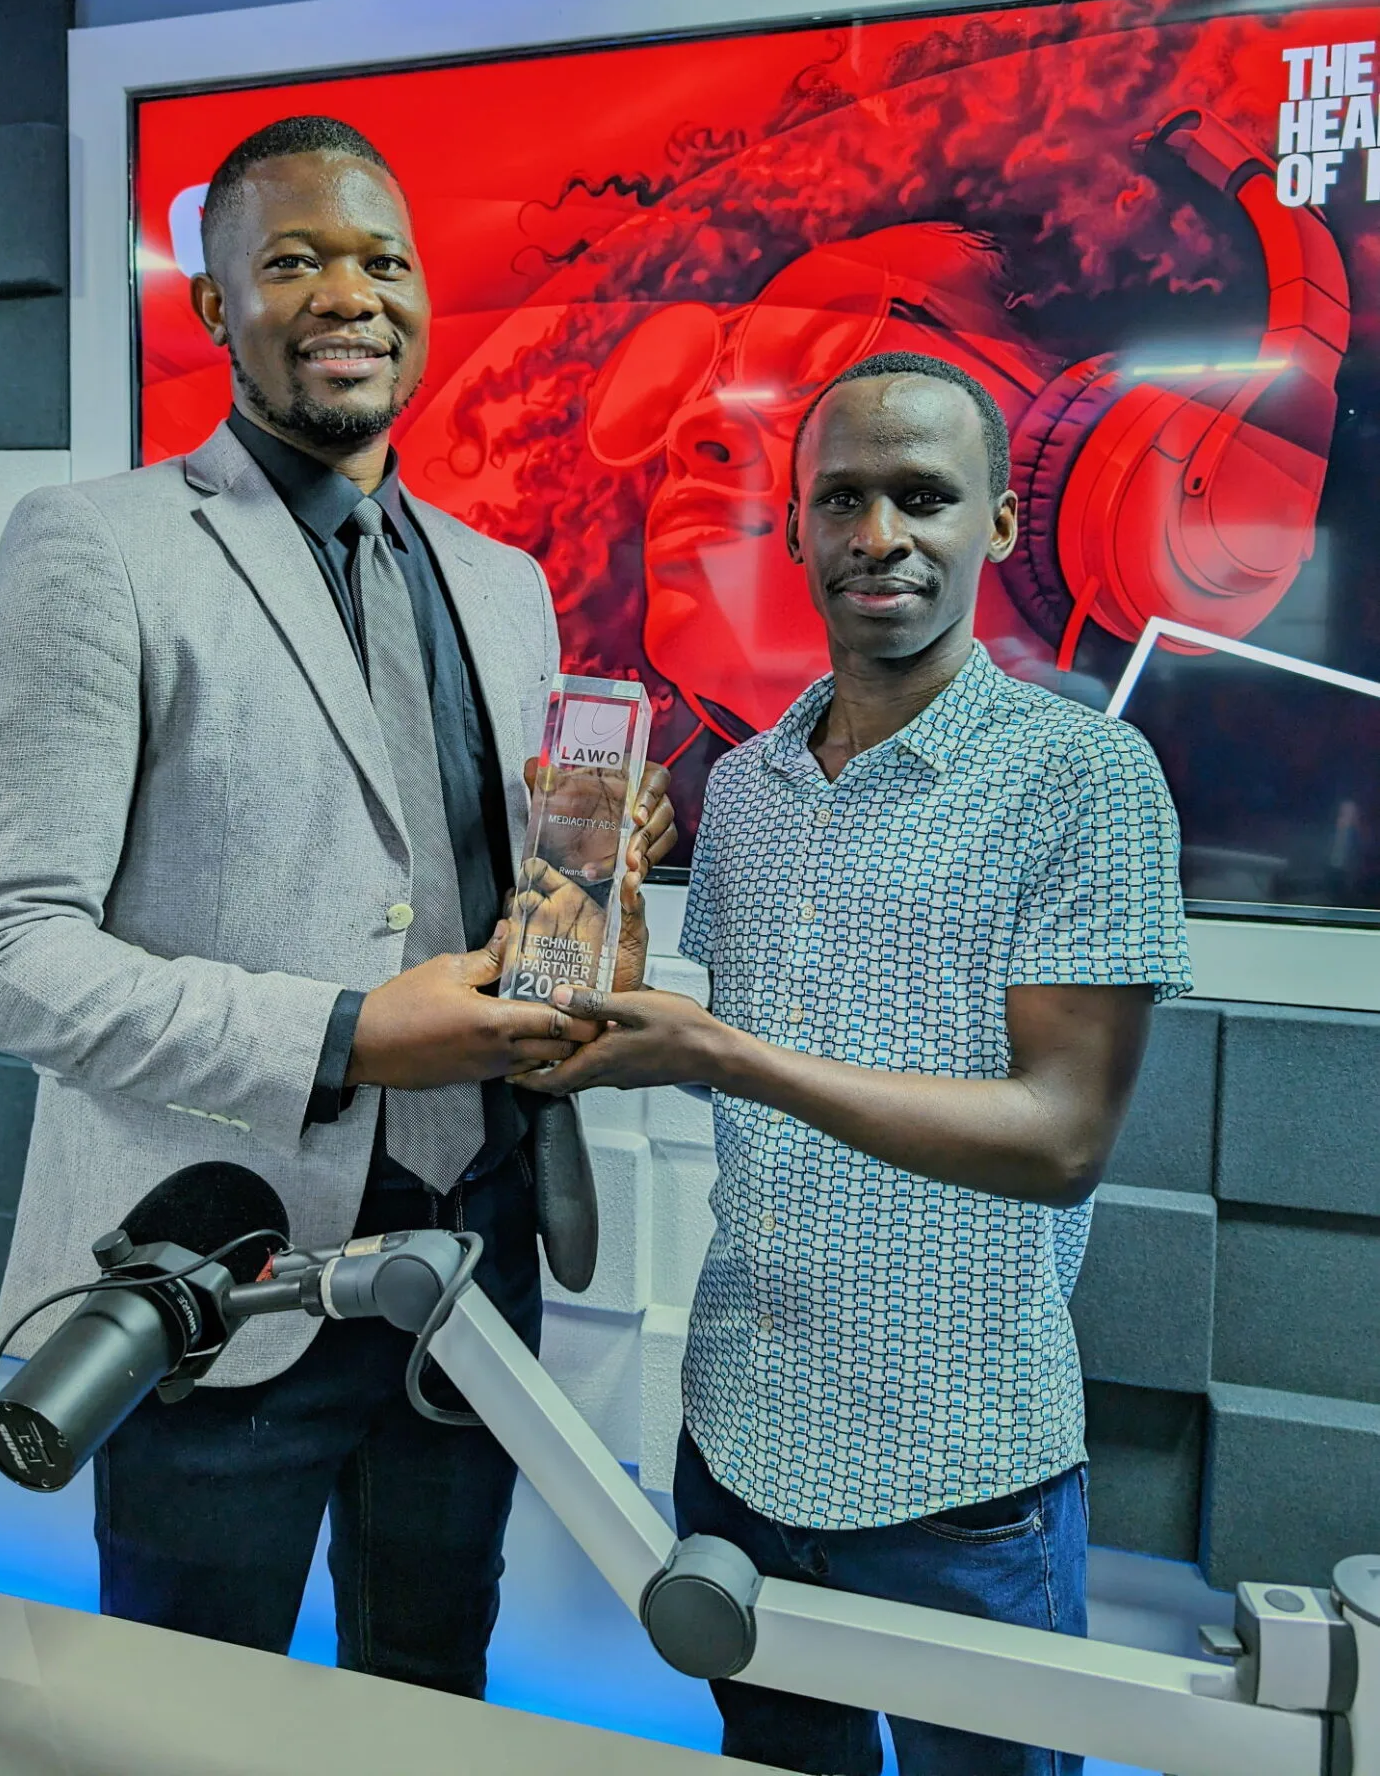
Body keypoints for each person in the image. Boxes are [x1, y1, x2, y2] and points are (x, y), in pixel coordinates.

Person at [0, 114, 673, 1694]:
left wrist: (594, 904)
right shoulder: (98, 550)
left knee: (432, 1689)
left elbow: (474, 890)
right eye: (294, 260)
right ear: (213, 306)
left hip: (473, 1258)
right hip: (221, 1272)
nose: (349, 294)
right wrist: (342, 1035)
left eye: (382, 260)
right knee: (193, 1712)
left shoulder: (503, 583)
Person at [518, 349, 1191, 1775]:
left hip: (959, 1474)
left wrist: (725, 1055)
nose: (878, 535)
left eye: (923, 497)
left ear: (1000, 523)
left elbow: (1059, 1137)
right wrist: (610, 969)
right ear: (796, 524)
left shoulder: (1084, 778)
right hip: (738, 1441)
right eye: (842, 499)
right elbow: (756, 1040)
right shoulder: (747, 786)